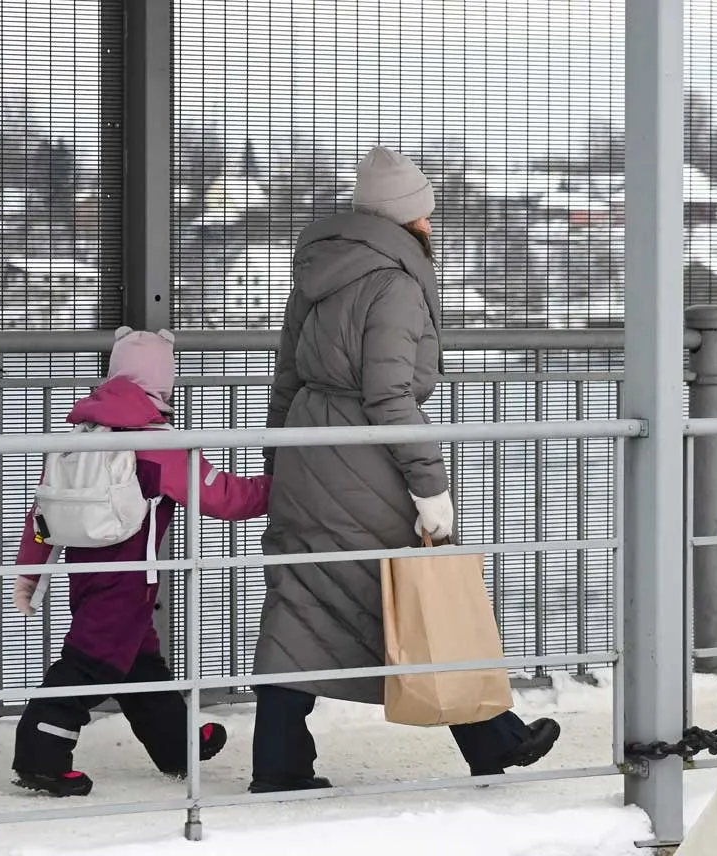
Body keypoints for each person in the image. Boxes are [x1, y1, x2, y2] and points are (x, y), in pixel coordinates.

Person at [251, 146, 560, 793]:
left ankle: (279, 763)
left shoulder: (316, 270)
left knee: (301, 602)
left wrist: (279, 463)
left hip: (309, 455)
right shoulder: (395, 281)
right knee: (419, 587)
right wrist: (431, 486)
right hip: (364, 462)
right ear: (412, 218)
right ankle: (492, 738)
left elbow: (285, 379)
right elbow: (389, 396)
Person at [10, 327, 273, 797]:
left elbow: (42, 513)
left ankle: (176, 745)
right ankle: (40, 756)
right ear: (163, 382)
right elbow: (226, 498)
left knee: (138, 662)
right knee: (90, 664)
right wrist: (284, 485)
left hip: (86, 577)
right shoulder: (158, 443)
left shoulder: (81, 437)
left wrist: (30, 573)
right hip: (129, 582)